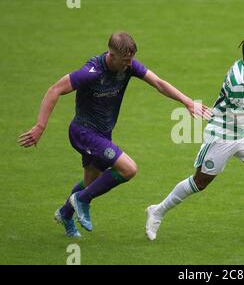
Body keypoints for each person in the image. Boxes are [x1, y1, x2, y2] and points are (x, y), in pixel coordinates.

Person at [17, 32, 210, 237]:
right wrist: (40, 126)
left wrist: (188, 101)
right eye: (125, 60)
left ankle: (66, 213)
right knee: (128, 169)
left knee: (91, 182)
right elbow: (54, 90)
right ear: (111, 54)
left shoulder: (129, 65)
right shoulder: (91, 72)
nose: (129, 64)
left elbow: (159, 83)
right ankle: (82, 200)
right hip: (83, 132)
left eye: (131, 59)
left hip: (103, 134)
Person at [145, 35, 244, 240]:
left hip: (240, 134)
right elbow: (240, 118)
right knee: (199, 182)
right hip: (222, 135)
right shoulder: (238, 80)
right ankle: (157, 211)